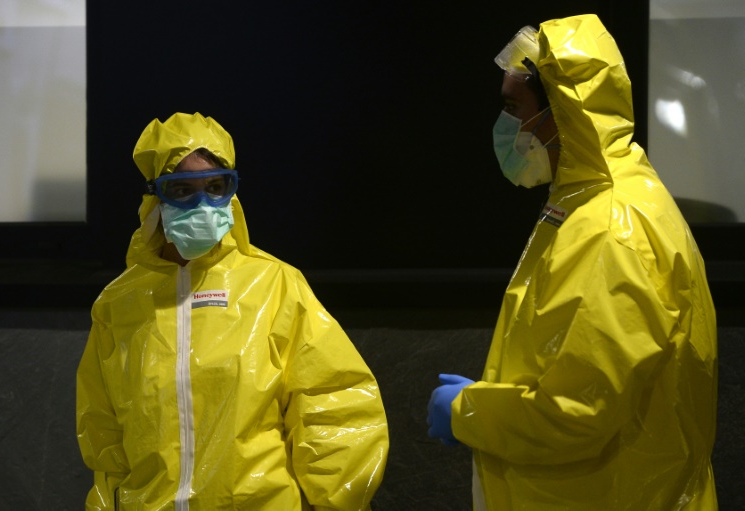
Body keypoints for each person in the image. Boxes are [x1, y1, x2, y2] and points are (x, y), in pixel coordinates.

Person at [427, 14, 717, 510]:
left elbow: (577, 411)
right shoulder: (593, 200)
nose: (506, 125)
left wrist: (469, 411)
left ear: (562, 110)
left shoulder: (611, 231)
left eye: (513, 108)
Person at [76, 112, 389, 510]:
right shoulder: (119, 304)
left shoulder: (274, 285)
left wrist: (336, 503)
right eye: (182, 189)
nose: (202, 204)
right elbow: (103, 431)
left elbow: (334, 402)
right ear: (155, 197)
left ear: (232, 191)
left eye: (215, 186)